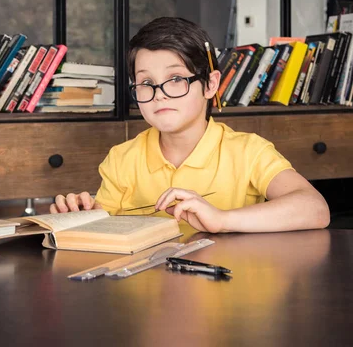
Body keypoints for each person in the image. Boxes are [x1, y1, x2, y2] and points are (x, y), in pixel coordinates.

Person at [51, 17, 330, 233]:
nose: (159, 93)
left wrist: (221, 219)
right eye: (146, 83)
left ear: (210, 84)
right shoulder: (121, 158)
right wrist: (78, 216)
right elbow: (102, 227)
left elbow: (315, 209)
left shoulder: (249, 151)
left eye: (175, 79)